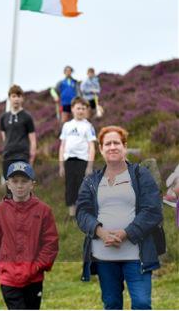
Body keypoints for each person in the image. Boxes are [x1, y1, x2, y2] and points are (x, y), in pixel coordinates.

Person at [76, 126, 163, 310]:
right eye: (107, 143)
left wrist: (125, 233)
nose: (112, 147)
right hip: (103, 256)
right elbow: (82, 213)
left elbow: (153, 210)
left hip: (136, 255)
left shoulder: (141, 175)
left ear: (124, 146)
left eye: (117, 142)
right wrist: (101, 232)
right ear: (100, 149)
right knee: (112, 304)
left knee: (141, 303)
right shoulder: (91, 180)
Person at [0, 162, 59, 310]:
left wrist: (37, 266)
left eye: (24, 181)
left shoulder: (43, 210)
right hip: (8, 278)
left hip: (34, 278)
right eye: (15, 181)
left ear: (32, 184)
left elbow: (51, 243)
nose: (19, 185)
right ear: (8, 184)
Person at [59, 97, 96, 219]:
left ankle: (83, 215)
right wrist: (61, 165)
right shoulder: (67, 126)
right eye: (78, 108)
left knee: (83, 188)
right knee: (70, 187)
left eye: (83, 108)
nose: (80, 111)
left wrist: (90, 166)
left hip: (83, 161)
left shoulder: (88, 126)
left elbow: (91, 146)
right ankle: (72, 215)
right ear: (72, 109)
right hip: (69, 161)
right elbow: (62, 145)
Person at [0, 85, 37, 187]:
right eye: (14, 96)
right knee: (10, 188)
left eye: (19, 96)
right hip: (8, 155)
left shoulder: (27, 117)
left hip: (22, 155)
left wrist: (32, 157)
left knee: (21, 187)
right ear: (9, 98)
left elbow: (33, 139)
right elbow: (4, 137)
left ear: (22, 98)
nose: (16, 99)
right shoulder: (4, 117)